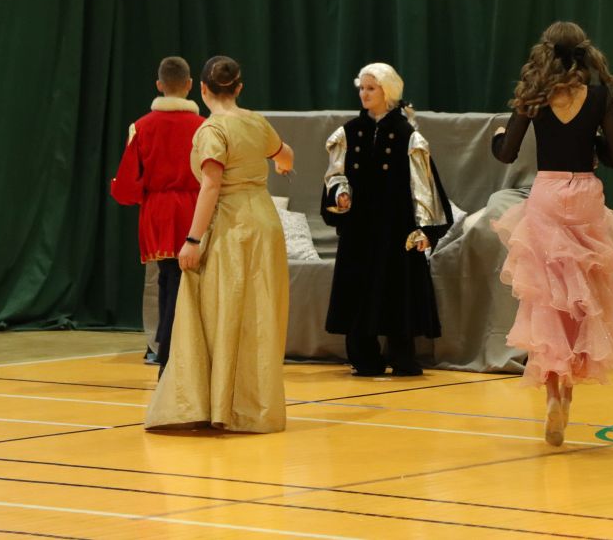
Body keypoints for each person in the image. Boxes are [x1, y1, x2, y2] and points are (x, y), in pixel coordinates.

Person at [491, 21, 613, 446]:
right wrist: (592, 144)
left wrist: (498, 137)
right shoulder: (598, 97)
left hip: (548, 193)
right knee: (581, 298)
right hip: (585, 197)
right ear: (582, 54)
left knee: (548, 297)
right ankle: (569, 394)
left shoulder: (534, 96)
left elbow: (506, 153)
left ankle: (553, 394)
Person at [145, 55, 294, 434]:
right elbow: (286, 154)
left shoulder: (212, 130)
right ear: (239, 87)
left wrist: (192, 239)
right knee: (257, 315)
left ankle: (219, 405)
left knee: (221, 313)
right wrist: (282, 166)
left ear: (202, 89)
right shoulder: (256, 122)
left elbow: (211, 186)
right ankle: (253, 407)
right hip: (265, 225)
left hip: (232, 228)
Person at [321, 63, 453, 377]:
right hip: (359, 228)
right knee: (358, 288)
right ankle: (363, 357)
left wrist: (425, 228)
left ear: (387, 92)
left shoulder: (408, 135)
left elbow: (423, 185)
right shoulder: (349, 133)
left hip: (396, 226)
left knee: (397, 289)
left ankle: (402, 356)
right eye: (362, 88)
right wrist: (340, 193)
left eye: (371, 88)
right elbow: (335, 175)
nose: (364, 94)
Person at [111, 56, 205, 372]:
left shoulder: (141, 127)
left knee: (166, 277)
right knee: (183, 281)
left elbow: (126, 185)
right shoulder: (203, 127)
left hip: (158, 212)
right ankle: (172, 353)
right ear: (190, 85)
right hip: (194, 208)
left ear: (159, 85)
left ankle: (165, 350)